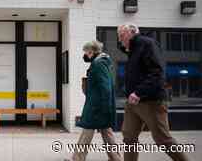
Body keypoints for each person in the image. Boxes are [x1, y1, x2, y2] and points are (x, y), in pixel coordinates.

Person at [117, 23, 189, 161]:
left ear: (132, 32)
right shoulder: (132, 49)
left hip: (150, 101)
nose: (120, 39)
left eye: (122, 35)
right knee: (129, 138)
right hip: (132, 103)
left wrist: (138, 92)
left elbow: (157, 73)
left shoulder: (148, 44)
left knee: (163, 139)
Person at [70, 40, 121, 161]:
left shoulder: (98, 64)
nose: (85, 55)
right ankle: (116, 158)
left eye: (86, 53)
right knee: (106, 132)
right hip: (99, 104)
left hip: (97, 105)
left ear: (91, 51)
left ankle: (77, 158)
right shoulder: (102, 62)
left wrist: (104, 106)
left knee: (88, 130)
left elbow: (105, 87)